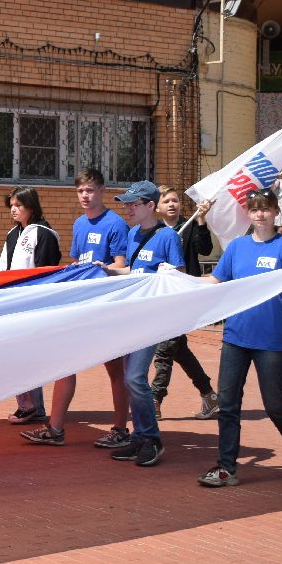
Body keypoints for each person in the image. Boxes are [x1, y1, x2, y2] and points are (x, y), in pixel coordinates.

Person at [198, 189, 282, 488]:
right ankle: (227, 468)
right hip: (236, 337)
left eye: (265, 208)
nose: (260, 214)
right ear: (248, 215)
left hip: (270, 340)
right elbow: (214, 281)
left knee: (274, 404)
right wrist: (174, 278)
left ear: (275, 211)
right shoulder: (237, 247)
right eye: (254, 209)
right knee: (228, 404)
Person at [21, 169, 130, 447]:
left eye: (90, 190)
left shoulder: (115, 224)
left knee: (116, 370)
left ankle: (120, 428)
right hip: (81, 305)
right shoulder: (80, 223)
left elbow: (122, 266)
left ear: (102, 191)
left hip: (106, 307)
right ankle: (55, 428)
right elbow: (77, 262)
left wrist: (104, 269)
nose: (85, 195)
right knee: (65, 363)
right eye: (81, 191)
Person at [99, 181, 185, 467]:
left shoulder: (168, 237)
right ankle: (139, 437)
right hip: (132, 316)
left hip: (152, 317)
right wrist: (110, 270)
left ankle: (151, 439)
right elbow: (133, 270)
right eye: (126, 204)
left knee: (135, 377)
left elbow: (178, 274)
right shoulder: (134, 233)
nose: (128, 209)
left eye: (133, 205)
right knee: (129, 378)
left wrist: (167, 274)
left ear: (151, 206)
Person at [151, 187, 219, 420]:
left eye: (175, 200)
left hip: (182, 298)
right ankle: (209, 396)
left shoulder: (188, 226)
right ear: (156, 207)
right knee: (179, 350)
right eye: (166, 201)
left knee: (165, 350)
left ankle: (155, 399)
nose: (172, 204)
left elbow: (205, 249)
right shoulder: (153, 231)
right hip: (158, 299)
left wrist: (201, 221)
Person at [0, 187, 61, 426]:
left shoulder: (44, 234)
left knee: (30, 357)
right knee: (14, 356)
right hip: (12, 304)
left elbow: (46, 273)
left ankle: (34, 407)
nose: (13, 209)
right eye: (11, 204)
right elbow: (2, 269)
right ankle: (26, 404)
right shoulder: (12, 234)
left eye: (19, 205)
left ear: (31, 207)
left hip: (33, 306)